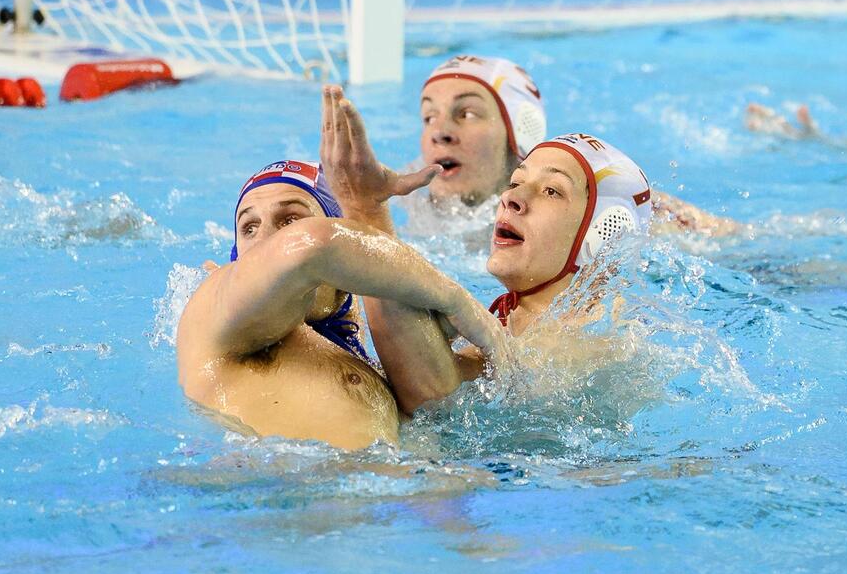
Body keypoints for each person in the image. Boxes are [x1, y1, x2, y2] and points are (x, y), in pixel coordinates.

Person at [321, 86, 653, 405]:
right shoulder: (514, 321)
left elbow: (435, 397)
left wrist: (365, 207)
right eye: (516, 181)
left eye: (552, 191)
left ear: (603, 234)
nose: (512, 197)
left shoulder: (597, 337)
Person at [175, 160, 507, 449]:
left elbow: (444, 407)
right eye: (249, 227)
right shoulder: (213, 314)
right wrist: (456, 301)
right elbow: (314, 246)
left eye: (290, 220)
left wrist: (369, 208)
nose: (264, 242)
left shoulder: (369, 364)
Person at [411, 54, 738, 238]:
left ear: (520, 132)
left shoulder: (593, 204)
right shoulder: (402, 195)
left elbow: (734, 241)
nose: (440, 133)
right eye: (429, 117)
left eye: (467, 113)